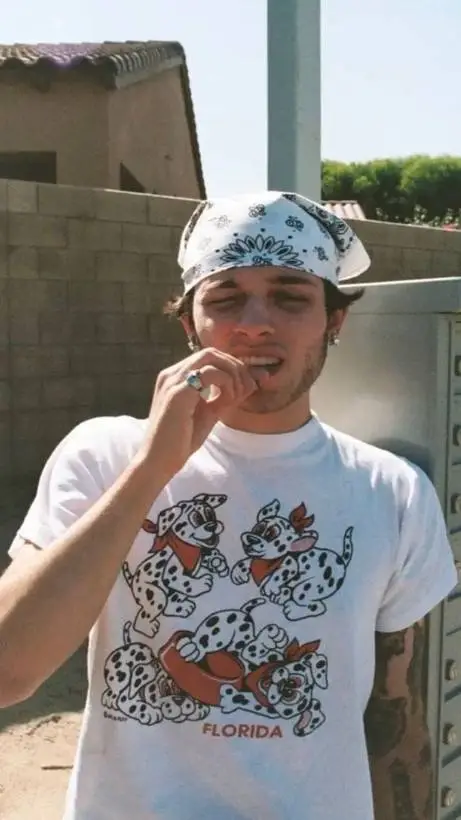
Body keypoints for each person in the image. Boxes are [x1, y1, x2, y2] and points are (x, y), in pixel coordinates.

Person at [0, 191, 456, 820]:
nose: (255, 323)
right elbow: (10, 670)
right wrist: (153, 468)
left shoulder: (392, 490)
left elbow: (396, 723)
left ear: (334, 322)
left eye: (290, 297)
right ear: (191, 325)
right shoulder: (104, 455)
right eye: (225, 299)